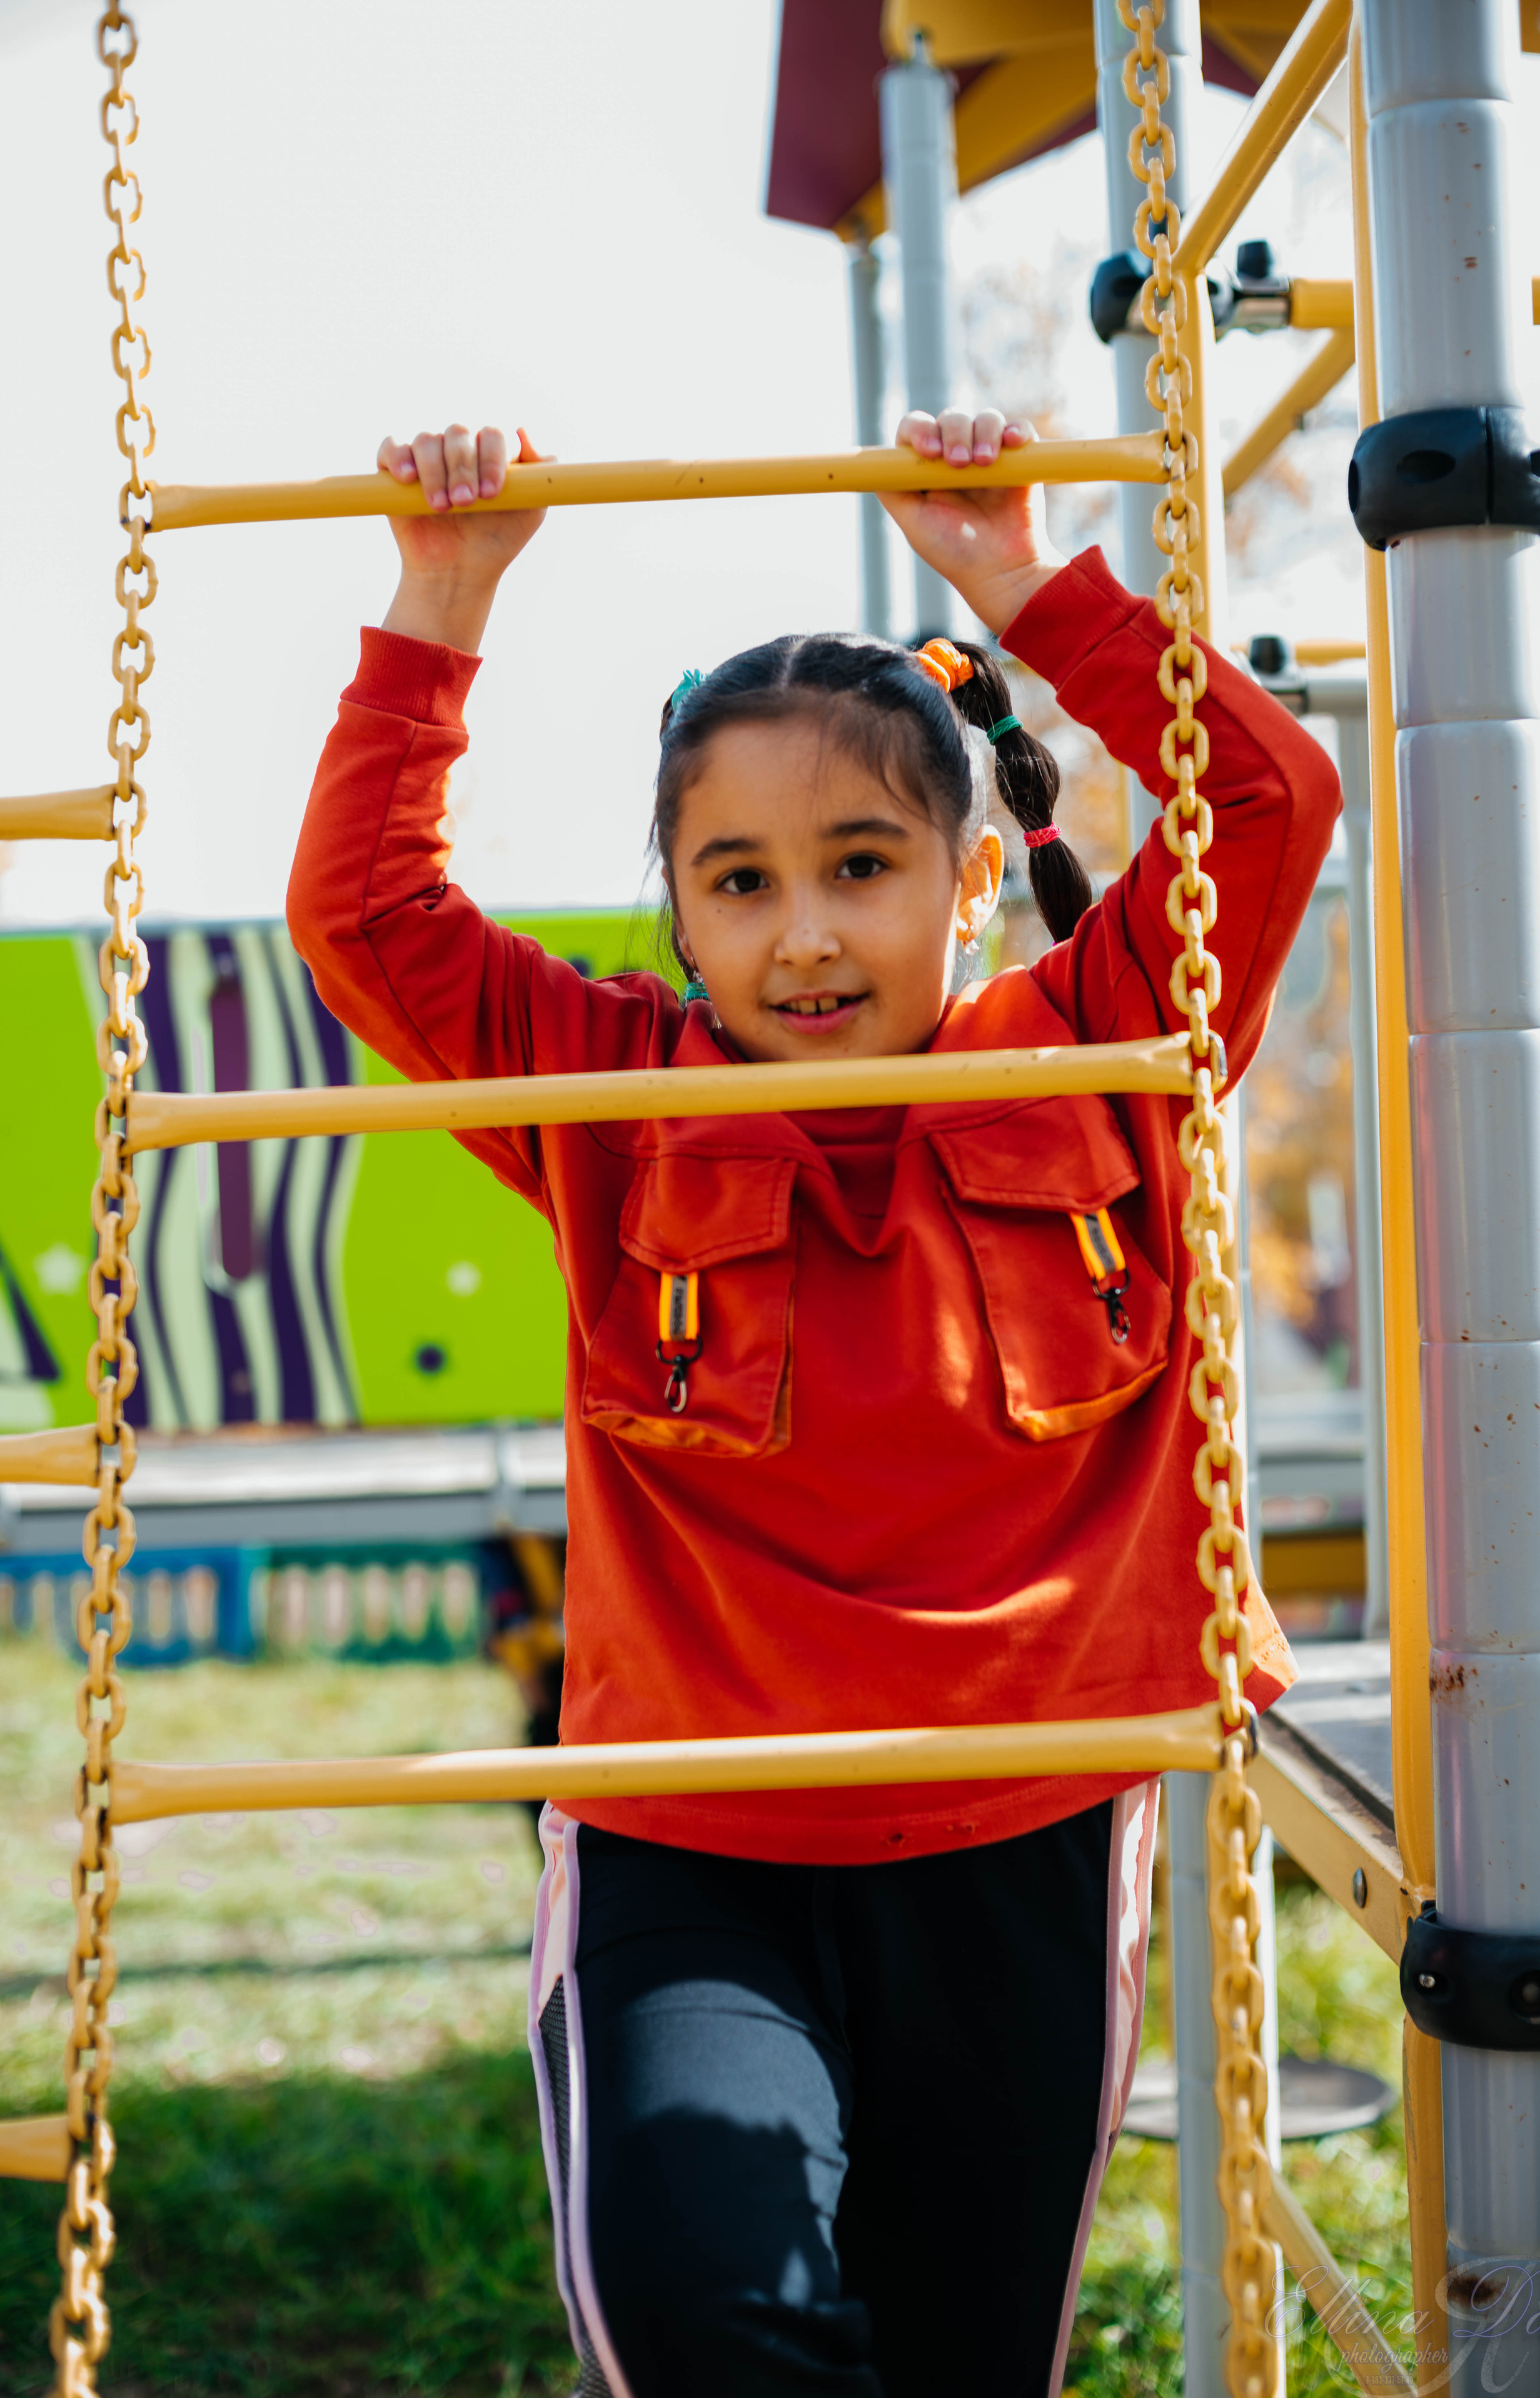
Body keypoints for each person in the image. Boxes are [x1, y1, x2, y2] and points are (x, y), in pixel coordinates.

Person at [287, 407, 1340, 2398]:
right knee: (718, 2319)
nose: (805, 934)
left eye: (862, 865)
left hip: (1024, 1827)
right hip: (704, 1844)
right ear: (677, 910)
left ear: (961, 876)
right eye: (740, 879)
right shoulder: (612, 1105)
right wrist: (442, 604)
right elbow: (368, 917)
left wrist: (1028, 585)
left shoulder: (1102, 1042)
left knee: (965, 2353)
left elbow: (1269, 795)